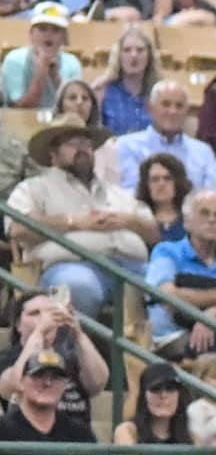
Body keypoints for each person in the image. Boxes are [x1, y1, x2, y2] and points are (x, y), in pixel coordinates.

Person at [6, 118, 152, 320]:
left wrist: (127, 221)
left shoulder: (117, 192)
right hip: (69, 266)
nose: (82, 148)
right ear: (53, 153)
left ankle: (169, 344)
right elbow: (18, 229)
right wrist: (74, 222)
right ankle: (71, 349)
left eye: (86, 143)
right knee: (79, 287)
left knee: (167, 283)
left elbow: (155, 233)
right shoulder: (34, 187)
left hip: (131, 265)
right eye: (72, 143)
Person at [144, 187, 216, 353]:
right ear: (187, 222)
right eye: (204, 213)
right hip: (172, 338)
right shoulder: (166, 251)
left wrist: (211, 314)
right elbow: (168, 296)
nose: (212, 220)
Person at [0, 349, 103, 455]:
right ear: (21, 382)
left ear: (64, 385)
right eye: (38, 375)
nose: (47, 383)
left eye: (56, 377)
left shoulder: (80, 432)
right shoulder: (4, 428)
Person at [0, 290, 111, 423]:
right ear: (18, 324)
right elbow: (14, 386)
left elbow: (98, 384)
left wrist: (78, 334)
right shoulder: (8, 358)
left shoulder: (69, 358)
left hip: (76, 436)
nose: (44, 318)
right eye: (35, 313)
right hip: (30, 438)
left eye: (51, 313)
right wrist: (39, 332)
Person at [111, 361, 200, 455]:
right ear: (144, 395)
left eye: (170, 388)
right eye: (155, 389)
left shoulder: (192, 435)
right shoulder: (127, 432)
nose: (163, 395)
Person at [1, 3, 81, 112]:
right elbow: (20, 108)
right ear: (31, 33)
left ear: (65, 36)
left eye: (56, 30)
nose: (49, 34)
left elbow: (76, 108)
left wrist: (56, 77)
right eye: (42, 29)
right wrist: (41, 72)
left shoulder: (72, 62)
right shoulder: (14, 60)